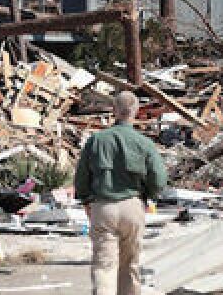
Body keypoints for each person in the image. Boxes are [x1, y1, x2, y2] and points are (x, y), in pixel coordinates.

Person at [74, 90, 167, 295]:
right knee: (130, 266)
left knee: (104, 266)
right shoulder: (144, 143)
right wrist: (147, 196)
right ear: (136, 111)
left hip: (103, 207)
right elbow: (159, 179)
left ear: (114, 110)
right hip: (132, 206)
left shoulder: (96, 140)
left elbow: (81, 177)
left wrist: (86, 200)